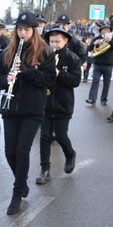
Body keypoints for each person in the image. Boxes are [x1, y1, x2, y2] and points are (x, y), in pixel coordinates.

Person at [0, 12, 56, 215]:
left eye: (26, 29)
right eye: (19, 29)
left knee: (22, 151)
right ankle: (22, 184)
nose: (22, 33)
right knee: (9, 152)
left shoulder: (46, 52)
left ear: (34, 30)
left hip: (32, 109)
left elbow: (49, 80)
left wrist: (27, 72)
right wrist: (8, 78)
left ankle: (16, 193)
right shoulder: (8, 51)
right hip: (11, 108)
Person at [36, 27, 81, 185]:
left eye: (57, 42)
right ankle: (45, 169)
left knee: (61, 135)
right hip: (45, 104)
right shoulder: (44, 56)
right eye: (51, 41)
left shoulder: (72, 58)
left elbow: (75, 81)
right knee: (45, 136)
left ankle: (70, 154)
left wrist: (59, 73)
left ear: (65, 41)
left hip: (63, 104)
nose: (54, 45)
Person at [86, 22, 113, 106]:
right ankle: (92, 98)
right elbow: (89, 49)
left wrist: (111, 41)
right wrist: (94, 43)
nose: (106, 31)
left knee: (106, 83)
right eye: (104, 30)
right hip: (97, 64)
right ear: (101, 31)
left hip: (108, 64)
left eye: (108, 30)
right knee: (95, 81)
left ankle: (104, 99)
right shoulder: (96, 38)